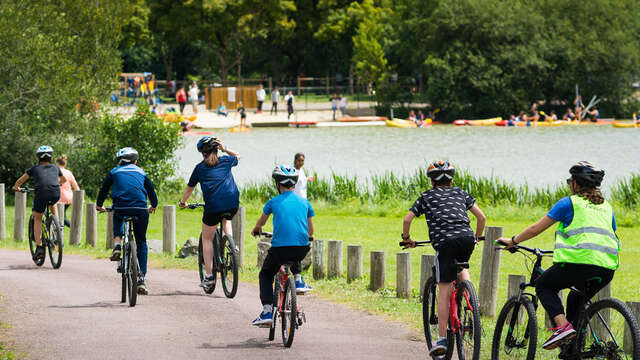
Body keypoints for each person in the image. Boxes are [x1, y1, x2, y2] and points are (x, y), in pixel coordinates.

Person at [497, 161, 618, 351]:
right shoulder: (607, 207)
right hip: (607, 268)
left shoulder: (568, 203)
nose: (569, 183)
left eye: (570, 180)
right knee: (575, 299)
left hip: (578, 264)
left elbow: (536, 228)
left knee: (544, 285)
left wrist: (513, 240)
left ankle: (562, 327)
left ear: (576, 184)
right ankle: (573, 349)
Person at [400, 161, 486, 357]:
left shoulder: (426, 196)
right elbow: (481, 217)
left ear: (431, 182)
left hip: (445, 243)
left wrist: (407, 239)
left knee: (444, 288)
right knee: (461, 264)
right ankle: (472, 302)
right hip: (466, 238)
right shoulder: (461, 193)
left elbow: (407, 219)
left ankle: (442, 339)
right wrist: (477, 237)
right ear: (452, 180)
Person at [250, 165, 314, 326]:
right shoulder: (305, 202)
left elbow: (261, 223)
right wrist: (310, 236)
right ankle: (298, 279)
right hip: (301, 248)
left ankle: (266, 311)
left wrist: (257, 230)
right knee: (297, 249)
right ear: (294, 184)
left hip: (280, 250)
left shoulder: (273, 202)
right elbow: (311, 230)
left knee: (265, 275)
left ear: (278, 184)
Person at [178, 136, 240, 292]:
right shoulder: (226, 161)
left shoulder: (200, 168)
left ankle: (209, 276)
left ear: (202, 153)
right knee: (226, 218)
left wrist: (183, 202)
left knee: (207, 238)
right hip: (232, 203)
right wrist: (224, 148)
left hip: (213, 206)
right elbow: (238, 156)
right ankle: (231, 243)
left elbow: (189, 188)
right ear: (216, 149)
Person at [96, 147, 158, 295]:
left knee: (117, 215)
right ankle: (141, 278)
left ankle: (117, 245)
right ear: (135, 161)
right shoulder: (141, 172)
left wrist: (99, 205)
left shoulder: (114, 172)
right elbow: (151, 191)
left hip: (121, 208)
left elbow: (104, 190)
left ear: (120, 161)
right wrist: (153, 205)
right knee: (141, 241)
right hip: (140, 209)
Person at [13, 146, 66, 262]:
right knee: (53, 203)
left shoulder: (34, 168)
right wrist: (57, 184)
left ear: (38, 157)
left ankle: (39, 248)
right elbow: (64, 180)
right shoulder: (56, 168)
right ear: (51, 157)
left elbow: (21, 180)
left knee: (37, 218)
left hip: (41, 193)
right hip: (55, 192)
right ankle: (57, 228)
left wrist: (16, 187)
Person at [55, 155, 79, 228]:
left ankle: (73, 228)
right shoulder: (69, 172)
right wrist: (79, 197)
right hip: (69, 197)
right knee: (62, 215)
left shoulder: (56, 171)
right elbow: (75, 185)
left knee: (61, 216)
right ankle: (61, 229)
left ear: (57, 163)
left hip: (60, 196)